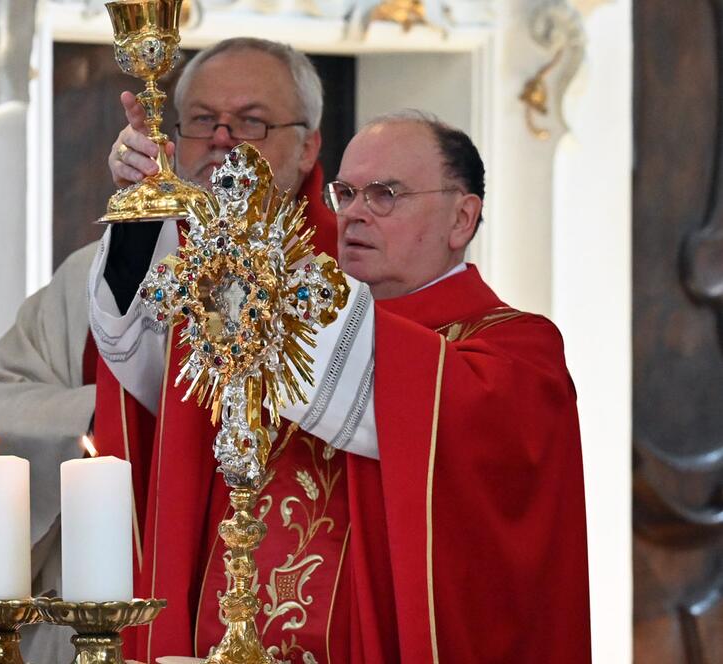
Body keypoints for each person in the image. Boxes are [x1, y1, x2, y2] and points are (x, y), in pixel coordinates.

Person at [87, 109, 592, 662]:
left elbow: (394, 394)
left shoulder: (514, 352)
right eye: (345, 193)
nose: (353, 214)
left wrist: (244, 276)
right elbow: (162, 369)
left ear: (461, 219)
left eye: (384, 194)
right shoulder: (282, 317)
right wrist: (144, 211)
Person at [0, 37, 335, 661]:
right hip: (130, 583)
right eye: (202, 122)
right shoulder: (99, 269)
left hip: (291, 592)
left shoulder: (344, 273)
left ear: (309, 143)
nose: (223, 140)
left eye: (252, 122)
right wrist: (106, 422)